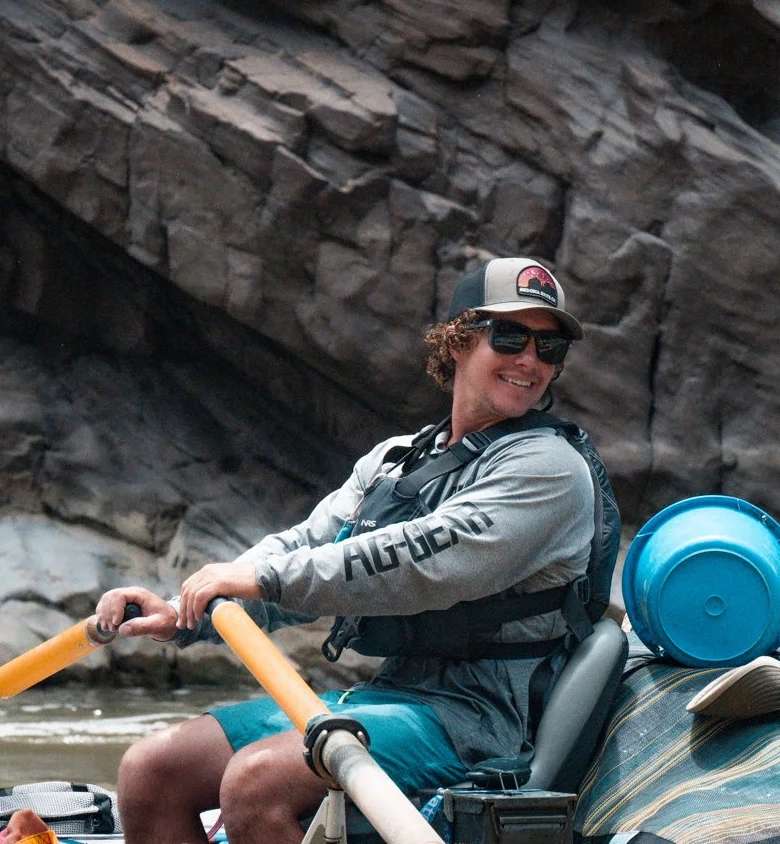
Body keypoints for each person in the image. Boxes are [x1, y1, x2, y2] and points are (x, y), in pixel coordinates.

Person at [94, 257, 604, 844]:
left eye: (549, 347)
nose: (530, 361)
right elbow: (309, 544)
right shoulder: (397, 459)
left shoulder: (550, 470)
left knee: (257, 782)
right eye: (511, 337)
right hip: (388, 698)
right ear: (457, 341)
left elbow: (419, 560)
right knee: (153, 769)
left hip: (478, 722)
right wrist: (182, 613)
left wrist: (264, 578)